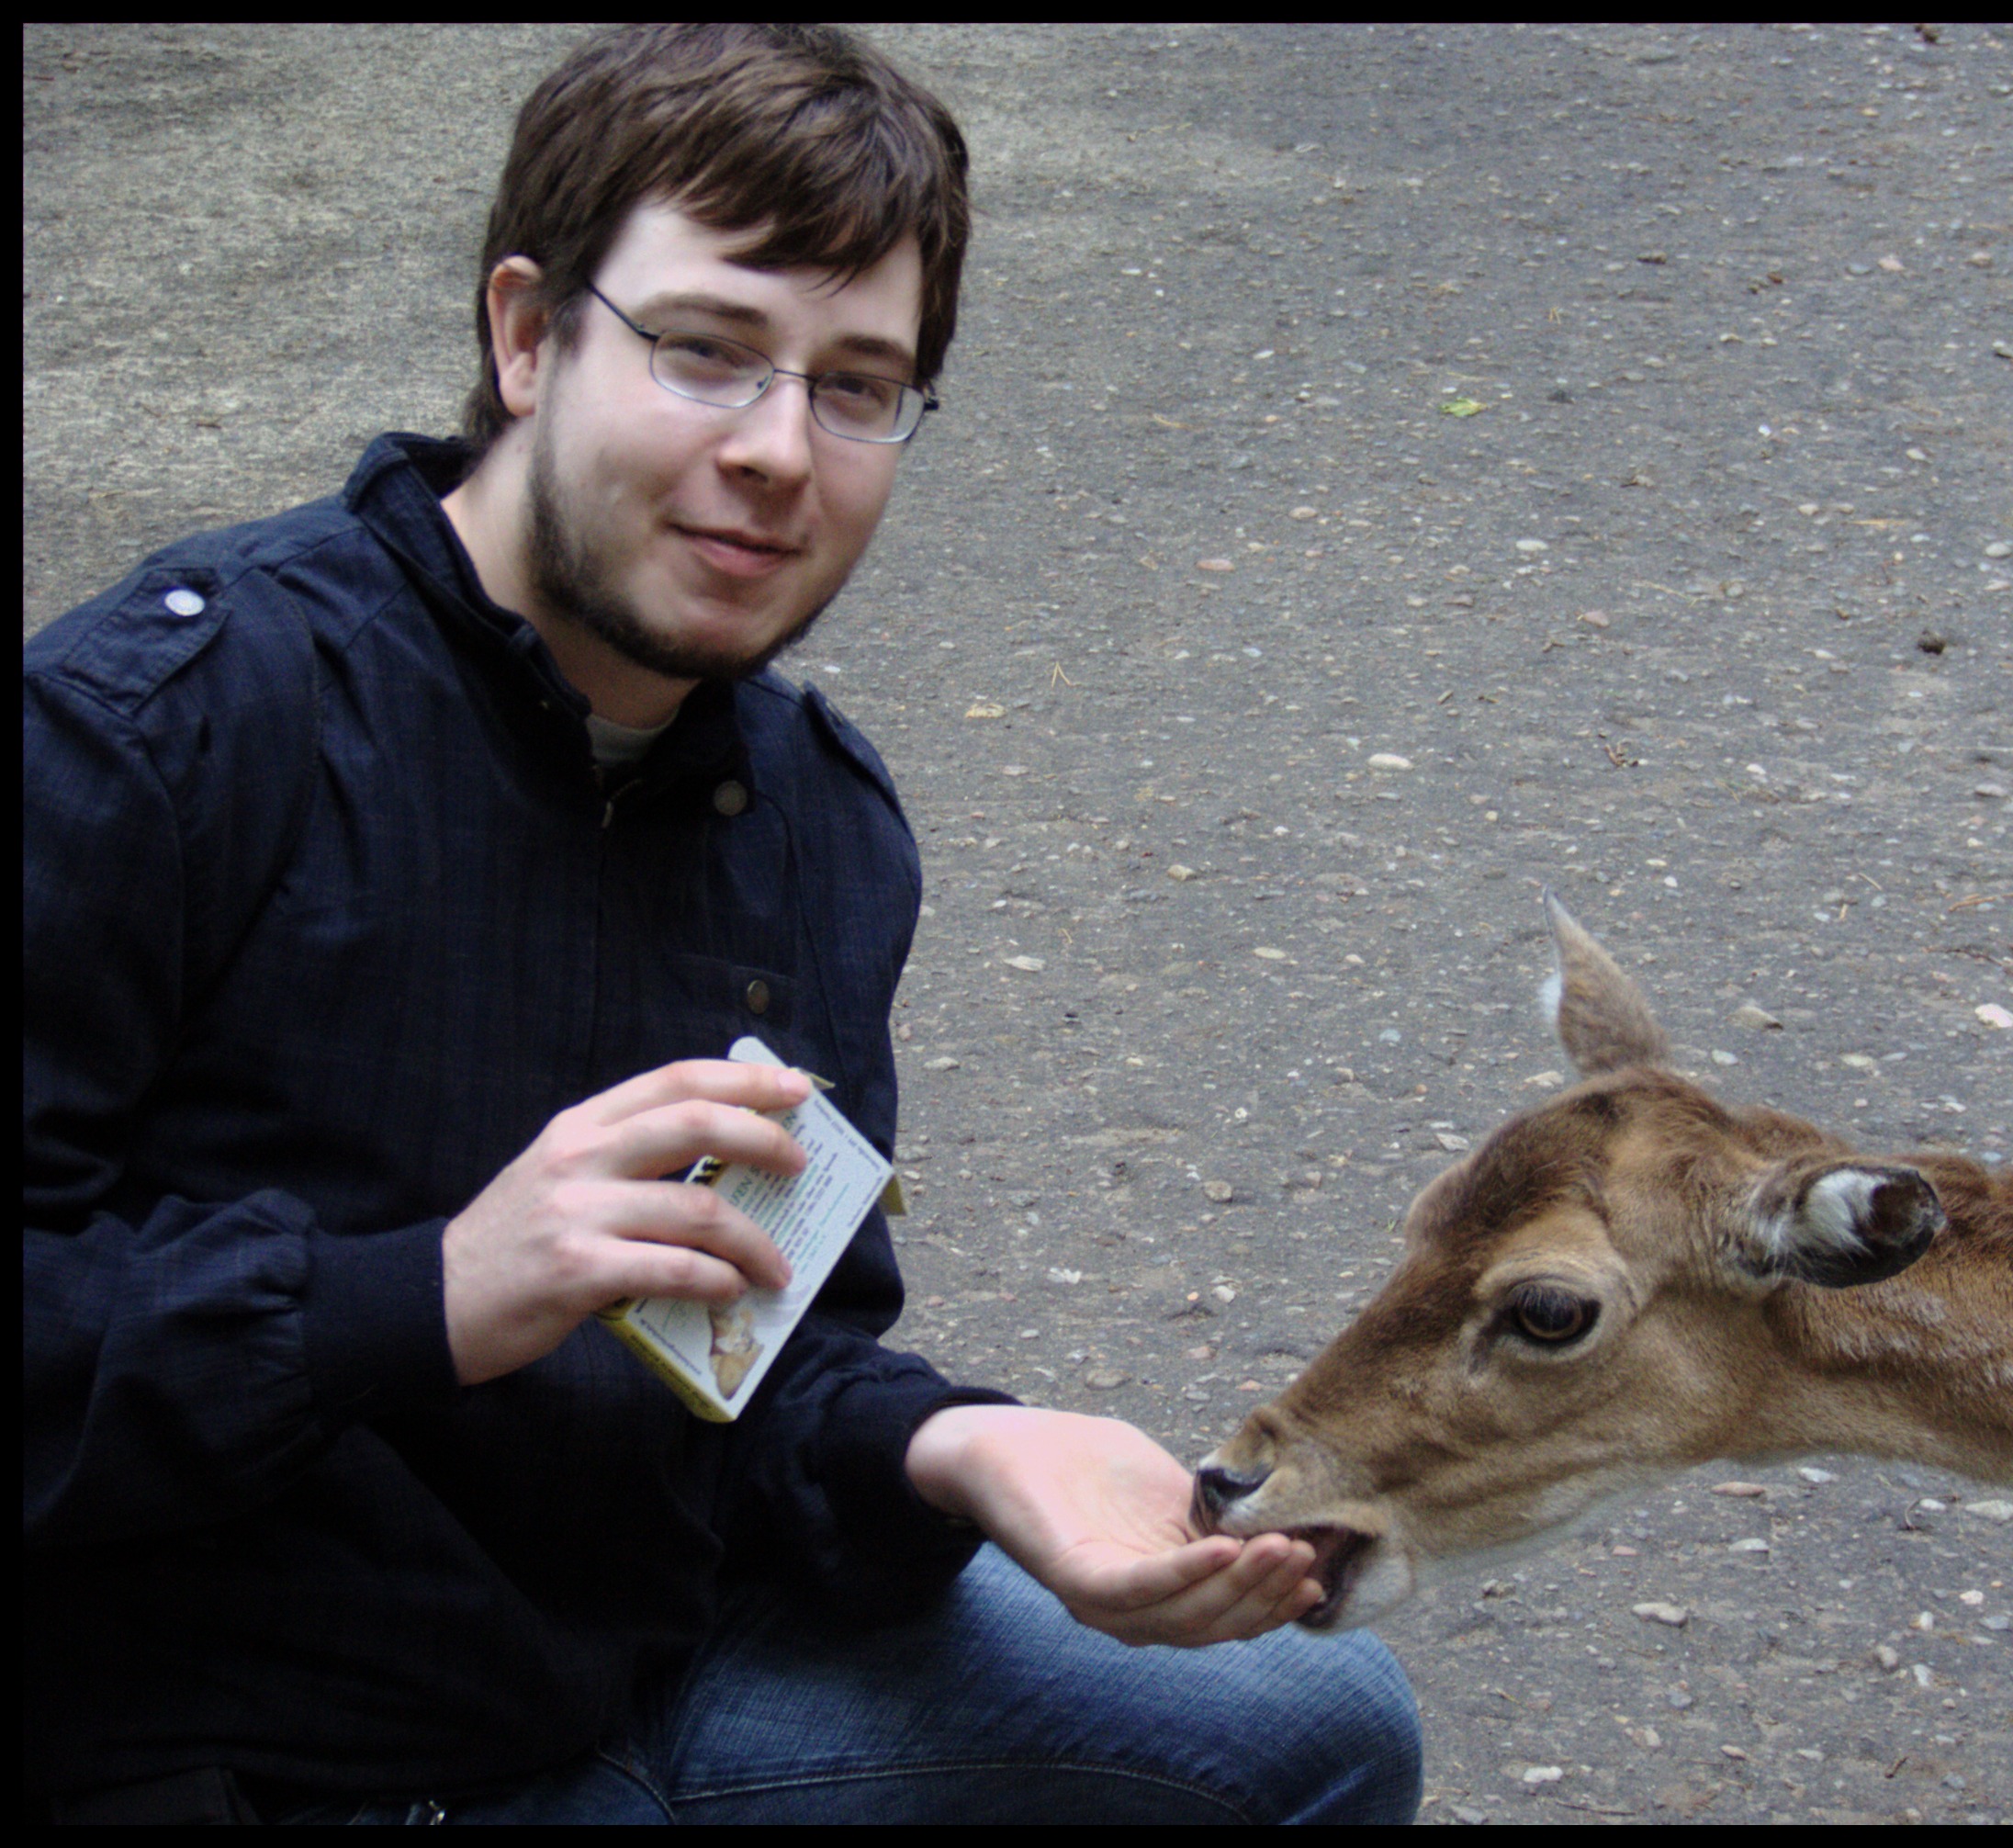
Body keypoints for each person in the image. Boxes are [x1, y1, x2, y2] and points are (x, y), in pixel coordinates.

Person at [23, 24, 1420, 1823]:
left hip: (641, 1664)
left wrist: (958, 1446)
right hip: (244, 1735)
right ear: (525, 338)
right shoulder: (166, 730)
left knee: (1316, 1725)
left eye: (856, 385)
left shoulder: (814, 829)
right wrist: (423, 1295)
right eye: (705, 352)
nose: (778, 452)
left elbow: (753, 1361)